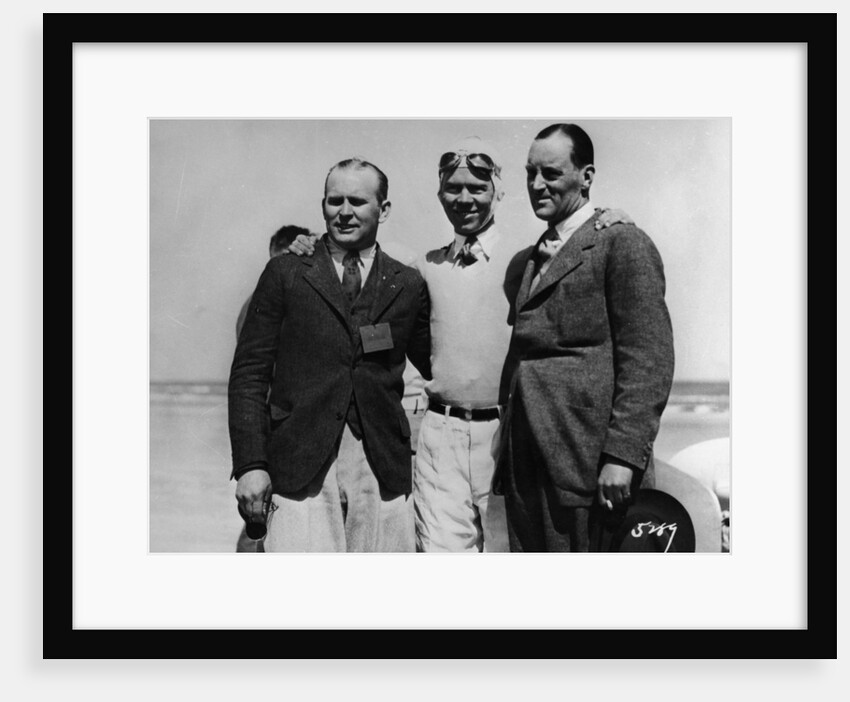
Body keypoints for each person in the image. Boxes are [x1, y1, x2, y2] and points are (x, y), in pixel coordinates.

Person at [285, 137, 633, 553]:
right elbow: (367, 294)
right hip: (438, 439)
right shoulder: (422, 270)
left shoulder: (530, 259)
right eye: (453, 188)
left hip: (507, 437)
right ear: (439, 194)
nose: (464, 198)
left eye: (477, 188)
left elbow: (579, 247)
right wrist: (309, 245)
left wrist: (609, 218)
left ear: (499, 192)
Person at [228, 158, 432, 552]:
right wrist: (251, 464)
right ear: (322, 205)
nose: (344, 212)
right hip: (298, 464)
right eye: (334, 200)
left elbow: (439, 363)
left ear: (383, 210)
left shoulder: (406, 284)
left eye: (357, 201)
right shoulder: (285, 273)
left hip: (381, 467)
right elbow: (250, 373)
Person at [496, 123, 675, 552]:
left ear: (586, 176)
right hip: (527, 462)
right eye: (529, 173)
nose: (537, 185)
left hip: (589, 463)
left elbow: (648, 357)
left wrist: (623, 457)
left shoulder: (622, 242)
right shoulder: (527, 259)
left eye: (551, 174)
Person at [234, 223, 313, 553]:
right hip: (277, 429)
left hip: (277, 426)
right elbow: (253, 377)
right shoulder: (263, 305)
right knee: (266, 518)